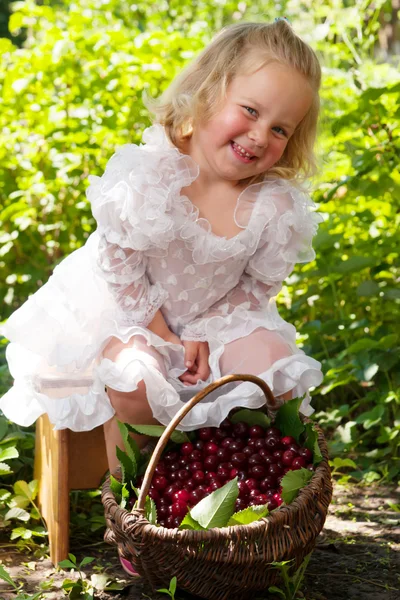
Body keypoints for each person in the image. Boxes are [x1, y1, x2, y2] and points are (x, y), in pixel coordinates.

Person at [0, 20, 323, 476]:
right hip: (124, 313)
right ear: (209, 91)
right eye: (250, 111)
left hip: (209, 325)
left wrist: (205, 331)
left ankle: (242, 491)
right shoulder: (151, 174)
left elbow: (256, 286)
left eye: (280, 130)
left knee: (274, 365)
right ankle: (141, 507)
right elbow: (120, 265)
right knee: (136, 377)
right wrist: (161, 332)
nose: (259, 136)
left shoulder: (271, 205)